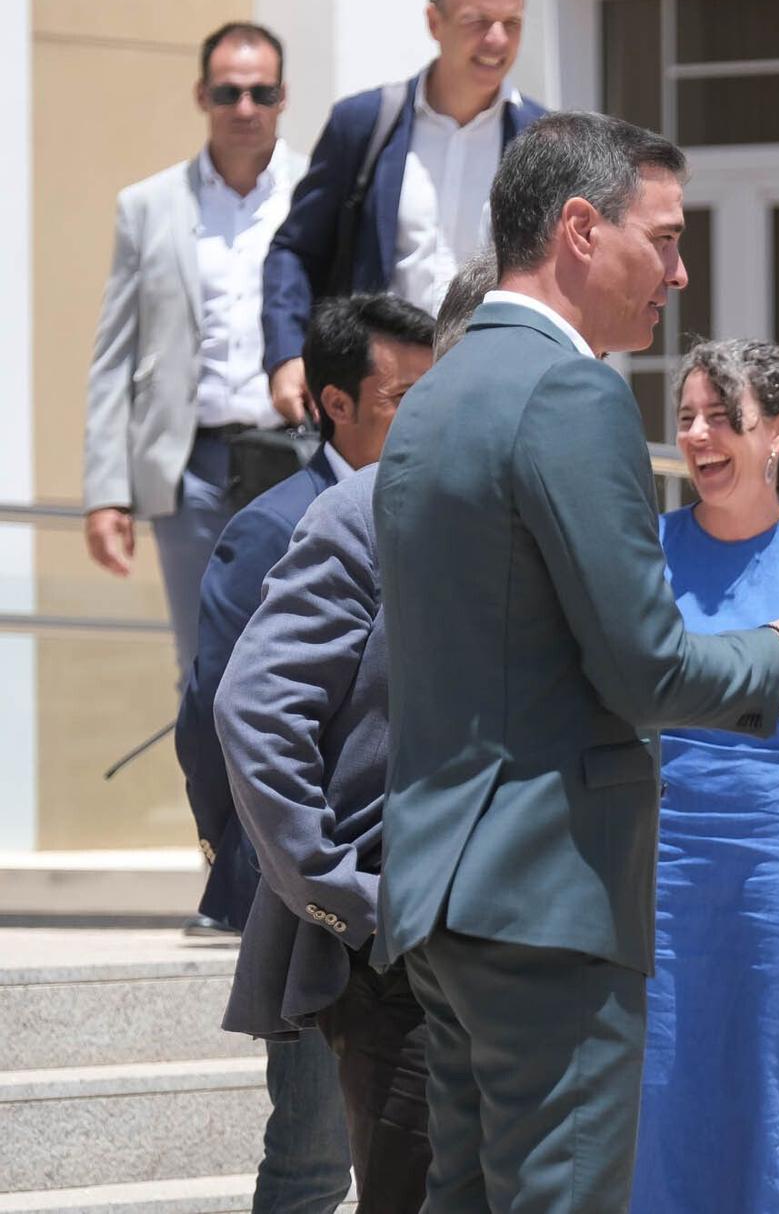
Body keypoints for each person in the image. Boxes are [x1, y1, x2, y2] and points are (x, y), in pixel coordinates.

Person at [371, 110, 779, 1212]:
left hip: (443, 892)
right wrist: (776, 650)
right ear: (581, 228)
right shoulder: (571, 390)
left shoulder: (434, 394)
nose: (677, 273)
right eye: (666, 238)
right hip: (549, 897)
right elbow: (645, 666)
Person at [175, 293, 434, 1212]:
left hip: (410, 918)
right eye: (404, 395)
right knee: (313, 1160)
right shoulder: (276, 523)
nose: (428, 413)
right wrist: (285, 875)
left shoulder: (438, 513)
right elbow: (220, 712)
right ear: (334, 403)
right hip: (321, 912)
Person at [629, 340, 779, 1214]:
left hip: (778, 875)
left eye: (723, 417)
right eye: (686, 417)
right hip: (659, 872)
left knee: (776, 1101)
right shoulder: (644, 551)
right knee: (661, 1104)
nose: (698, 435)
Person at [83, 21, 303, 695]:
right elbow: (114, 354)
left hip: (298, 459)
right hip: (191, 475)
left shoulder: (316, 195)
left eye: (260, 92)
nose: (245, 108)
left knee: (301, 663)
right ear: (201, 95)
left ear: (282, 97)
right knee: (206, 673)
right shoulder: (147, 207)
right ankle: (215, 807)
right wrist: (106, 493)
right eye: (228, 92)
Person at [262, 0, 545, 423]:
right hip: (377, 403)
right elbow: (294, 251)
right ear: (435, 22)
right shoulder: (365, 125)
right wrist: (287, 355)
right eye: (478, 21)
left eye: (511, 24)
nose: (497, 40)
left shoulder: (541, 142)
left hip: (493, 404)